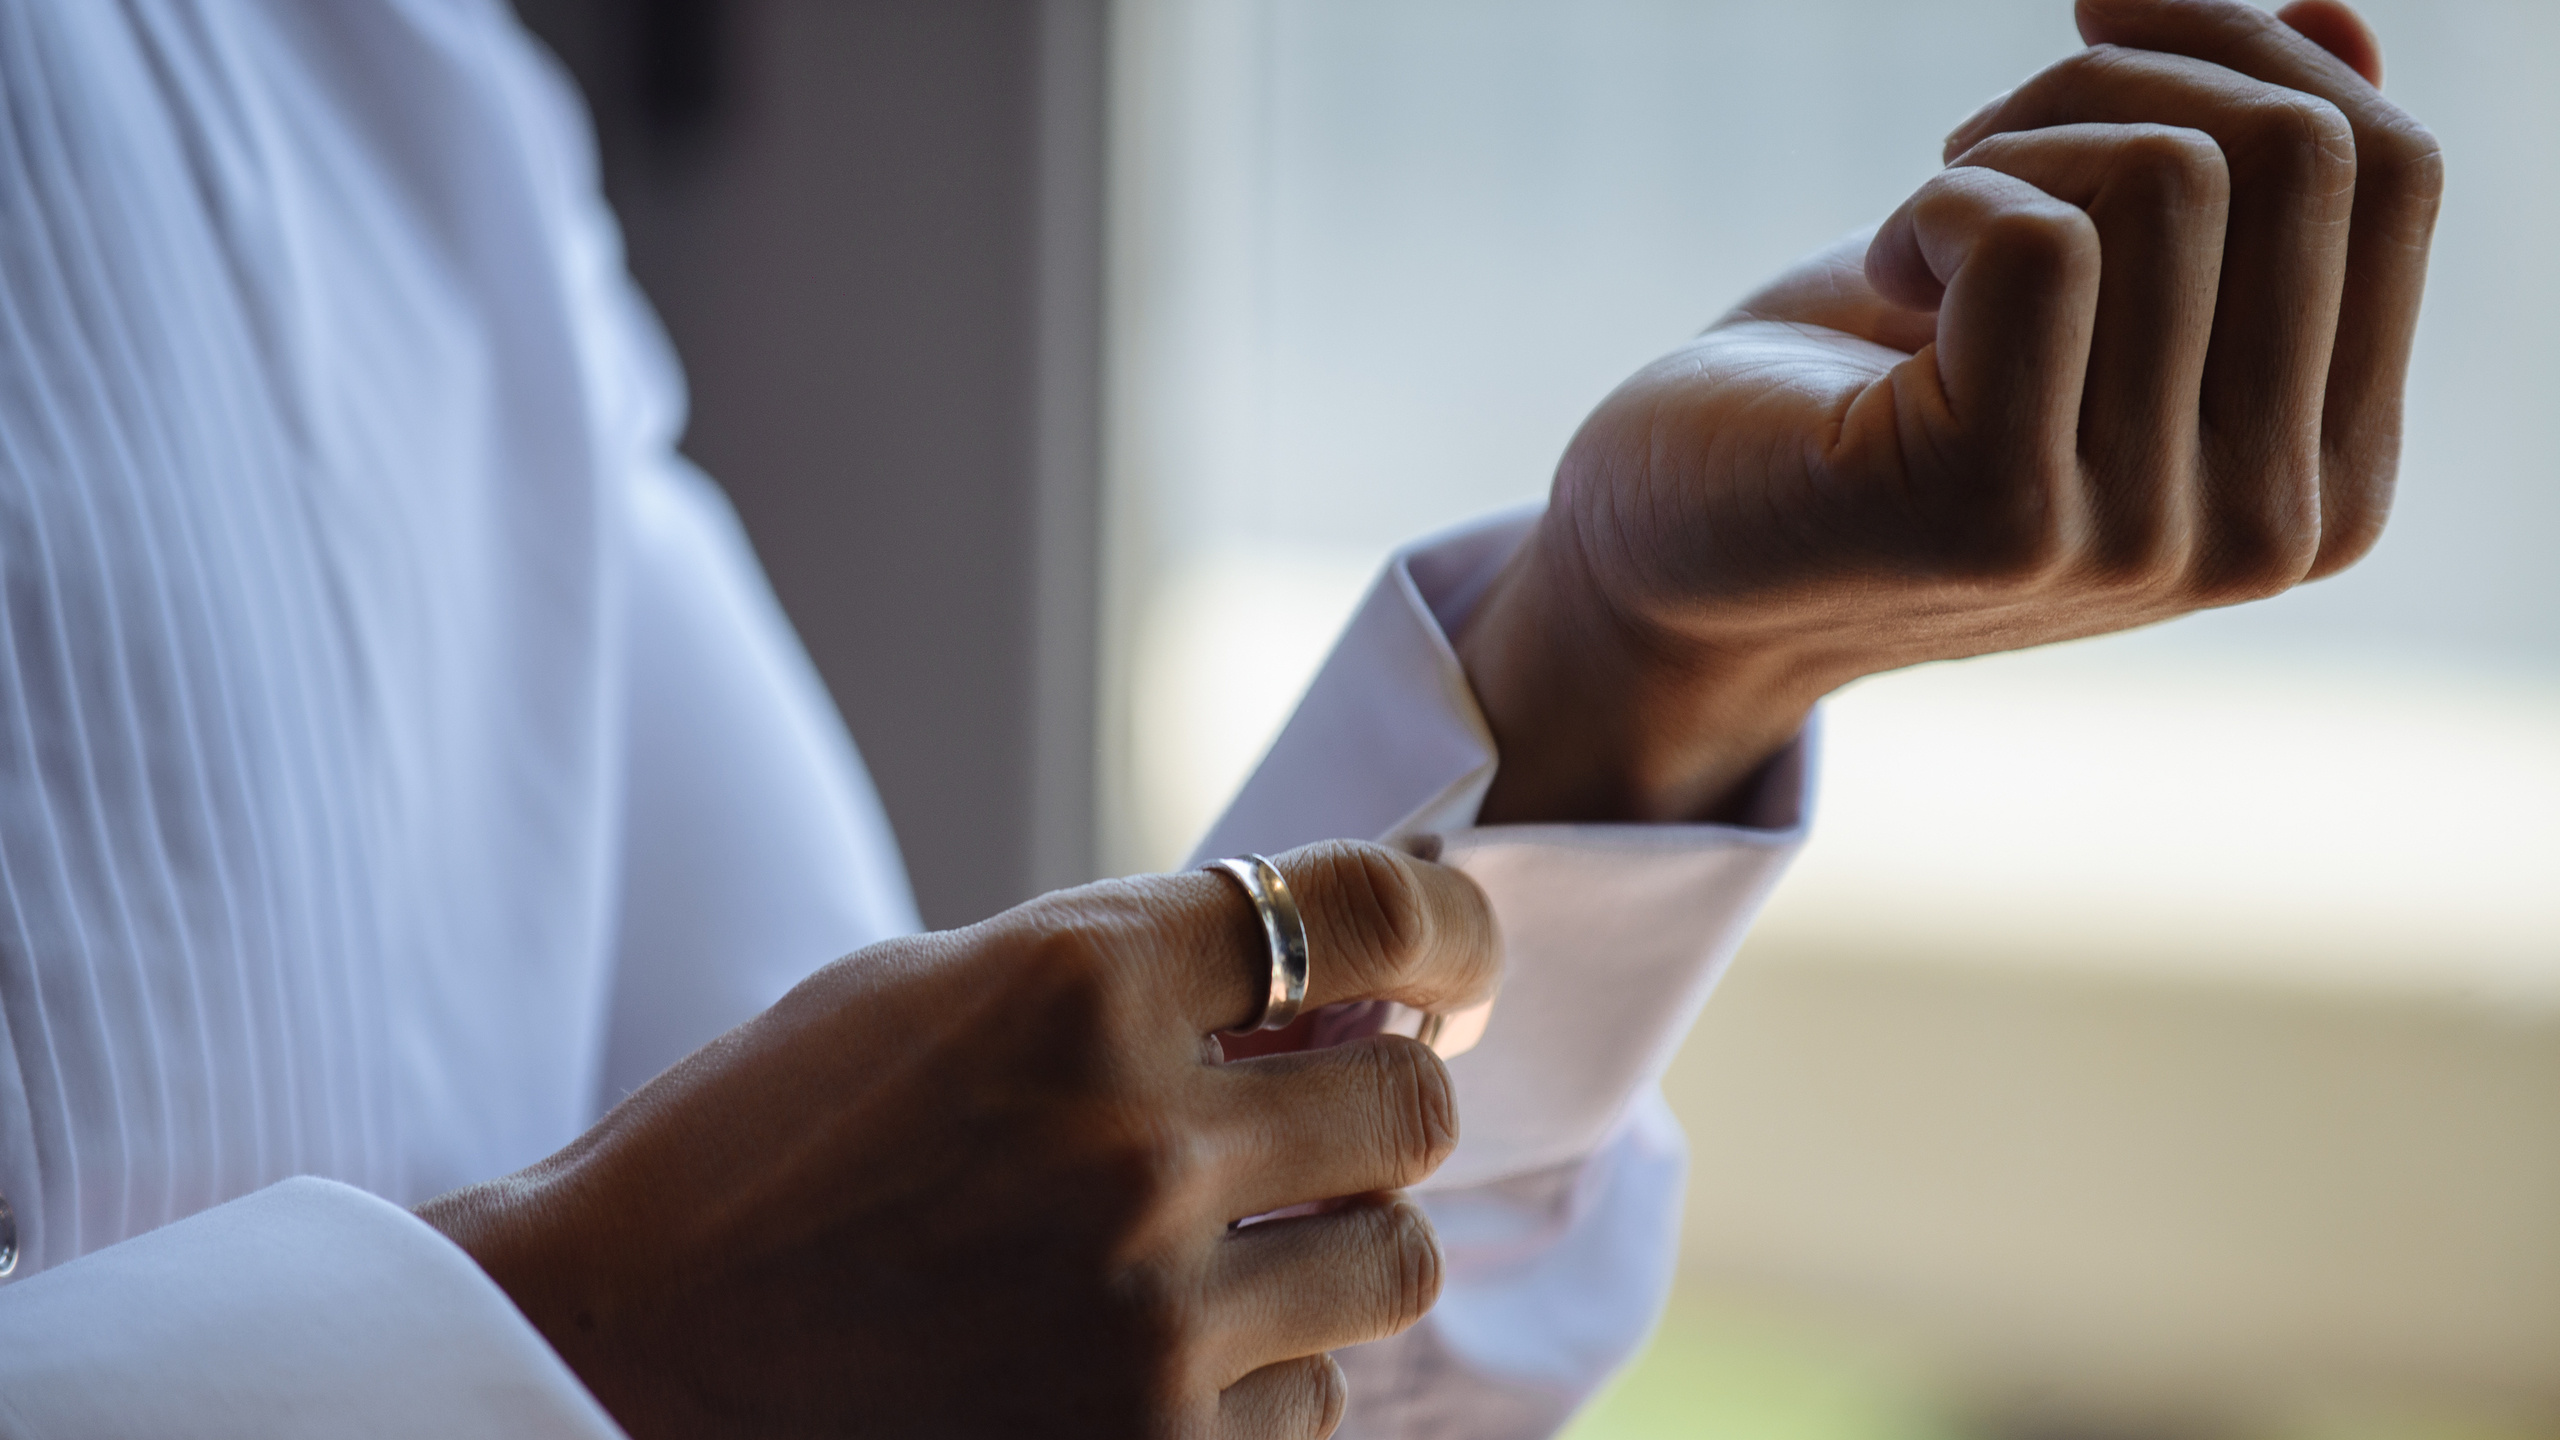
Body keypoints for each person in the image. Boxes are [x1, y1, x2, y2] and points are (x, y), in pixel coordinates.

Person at [0, 0, 2437, 1435]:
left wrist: (1630, 674)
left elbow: (985, 1276)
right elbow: (758, 1293)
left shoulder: (378, 93)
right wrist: (596, 1362)